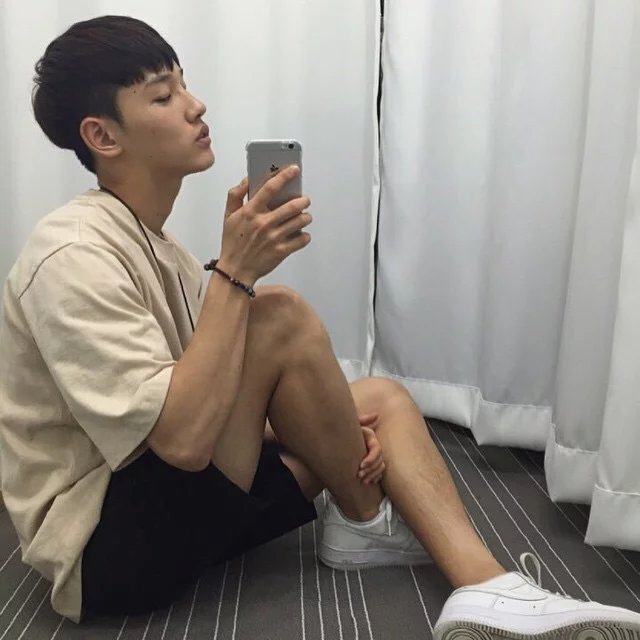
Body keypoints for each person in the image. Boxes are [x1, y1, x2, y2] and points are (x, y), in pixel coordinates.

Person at [0, 15, 638, 639]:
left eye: (185, 85)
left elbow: (210, 397)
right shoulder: (72, 254)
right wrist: (235, 275)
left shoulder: (159, 248)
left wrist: (321, 421)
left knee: (380, 398)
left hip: (169, 499)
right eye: (164, 96)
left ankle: (473, 580)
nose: (195, 106)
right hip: (107, 549)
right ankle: (377, 519)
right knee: (276, 315)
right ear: (102, 135)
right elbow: (183, 440)